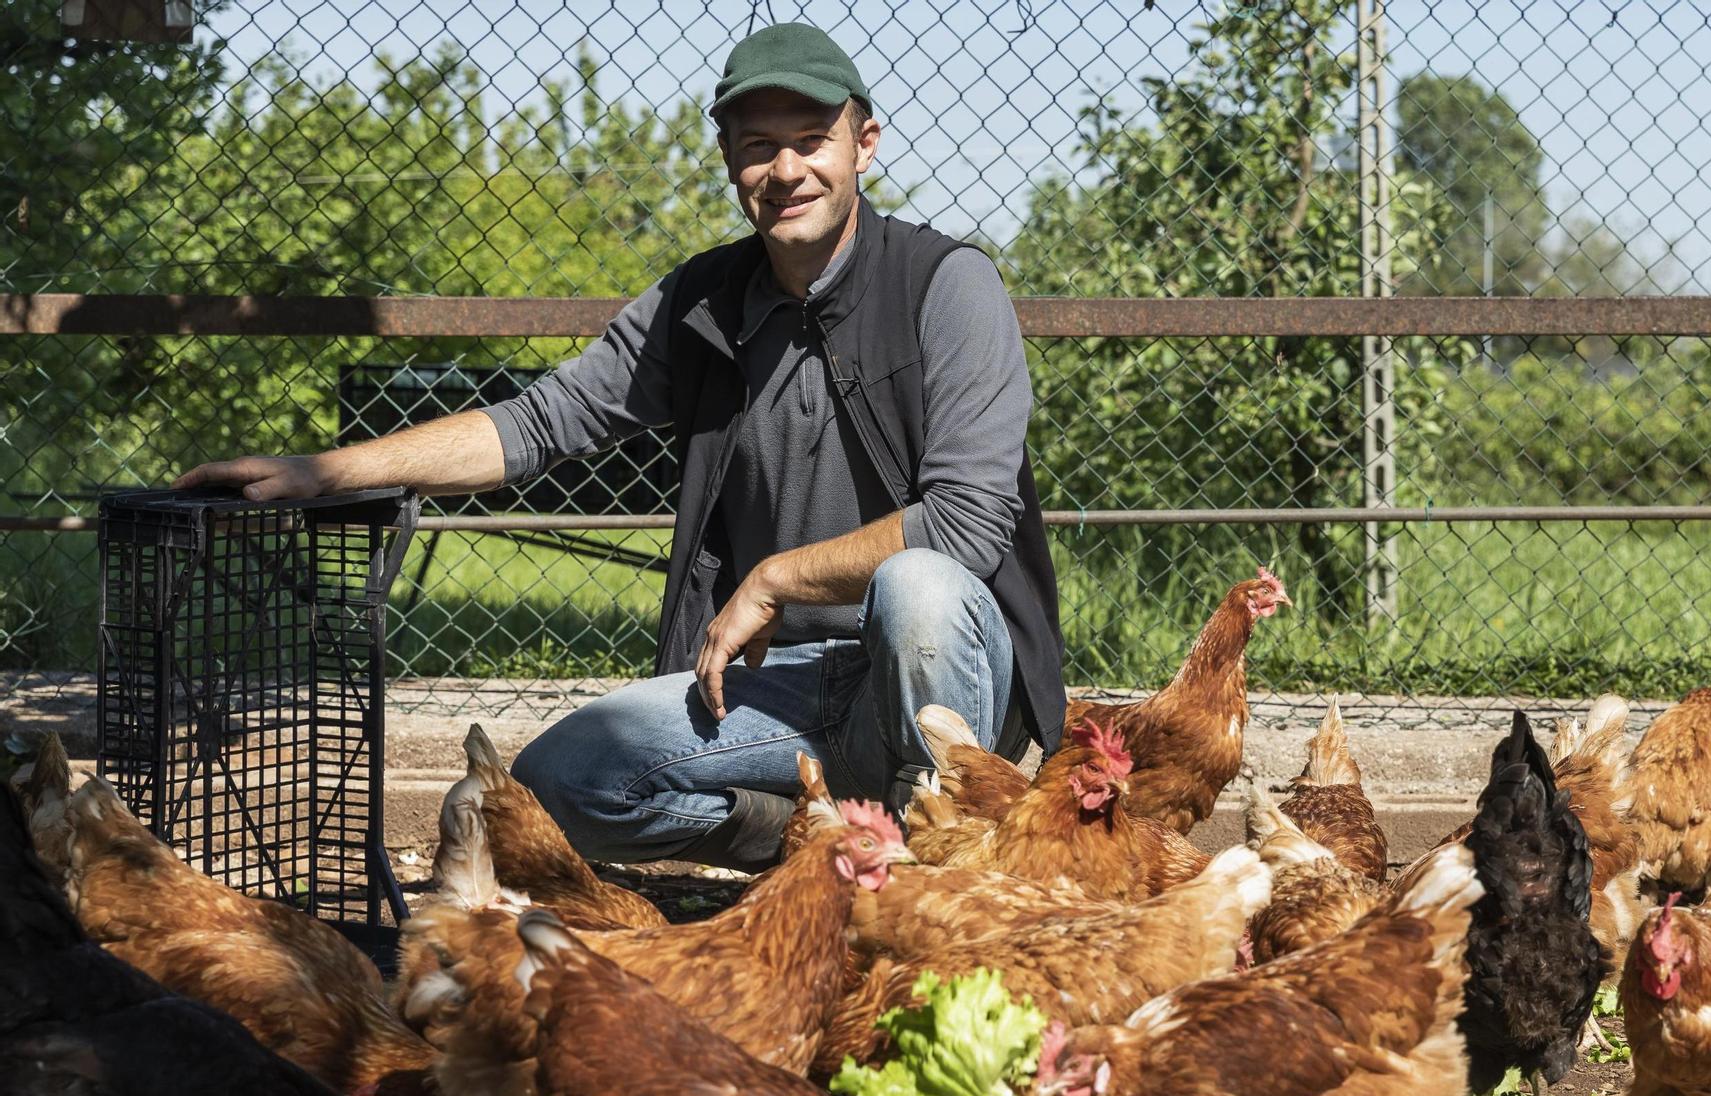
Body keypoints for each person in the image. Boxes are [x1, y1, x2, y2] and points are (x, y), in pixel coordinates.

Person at [174, 22, 1063, 871]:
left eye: (811, 140)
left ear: (863, 145)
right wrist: (324, 471)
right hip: (770, 684)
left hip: (932, 680)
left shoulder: (946, 284)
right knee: (553, 788)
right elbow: (539, 421)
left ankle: (943, 854)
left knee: (919, 583)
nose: (786, 169)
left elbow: (967, 524)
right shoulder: (701, 303)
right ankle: (792, 840)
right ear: (728, 158)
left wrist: (775, 577)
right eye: (758, 145)